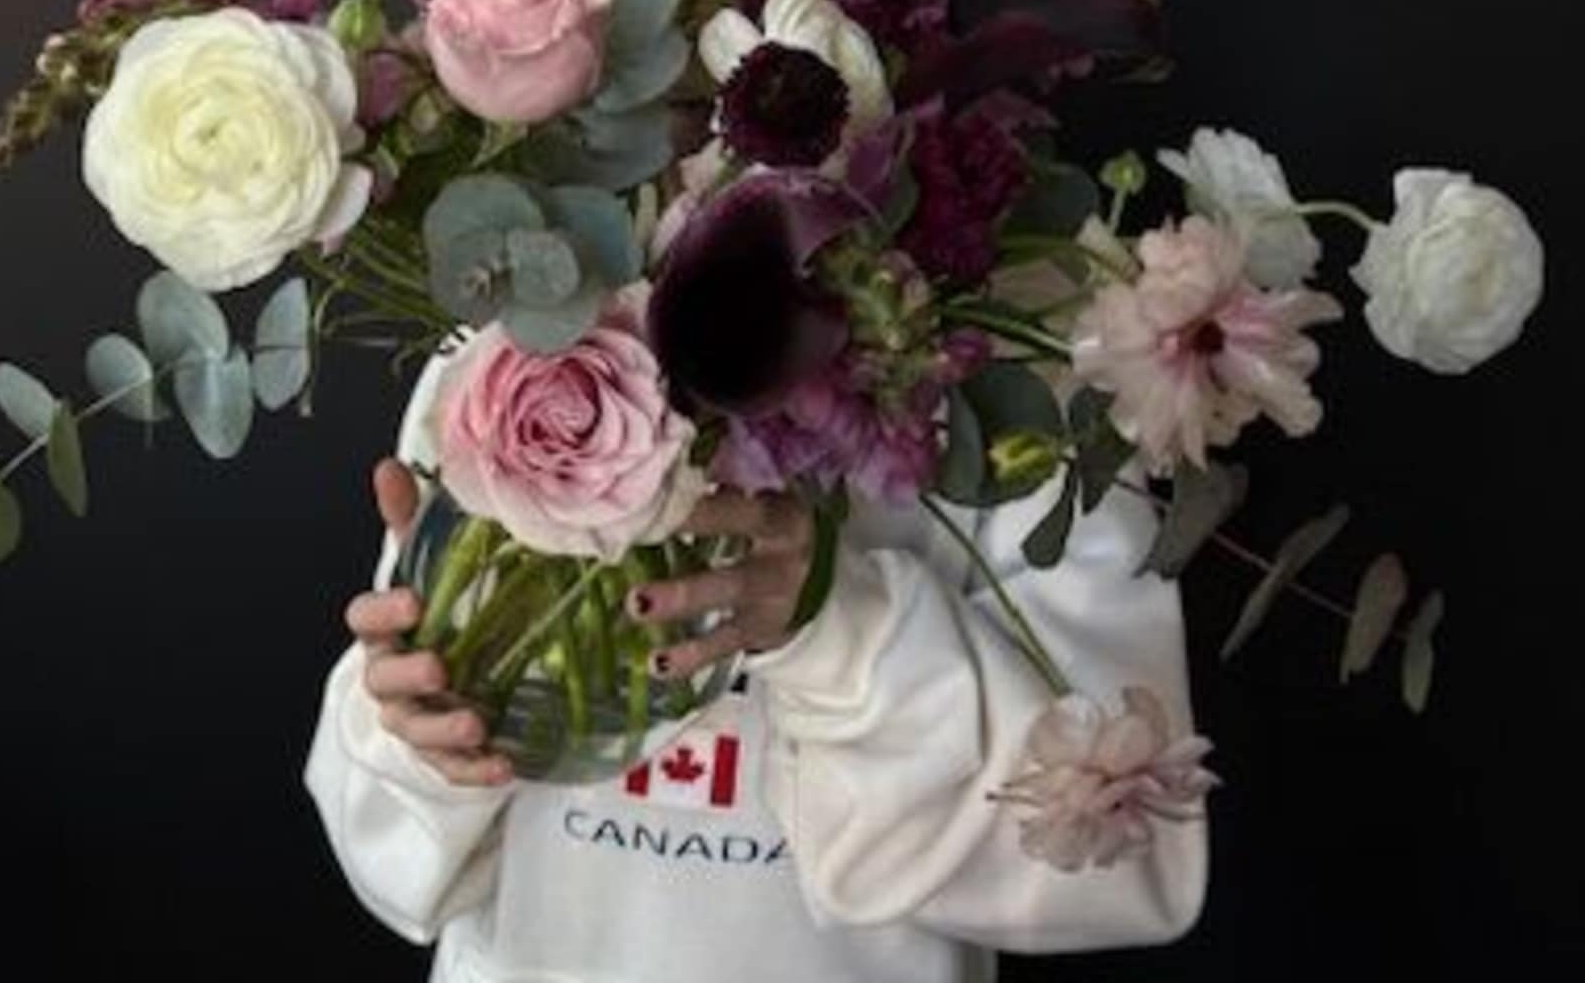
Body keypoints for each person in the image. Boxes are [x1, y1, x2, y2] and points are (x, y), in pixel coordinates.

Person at [303, 349, 1208, 983]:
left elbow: (1128, 859)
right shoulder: (516, 341)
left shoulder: (1026, 355)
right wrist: (423, 738)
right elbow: (391, 854)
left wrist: (831, 627)